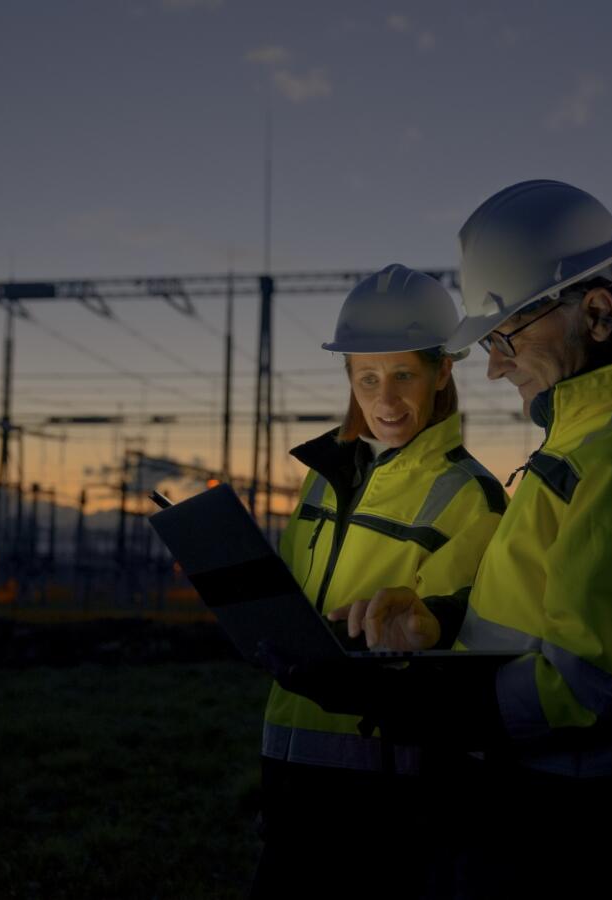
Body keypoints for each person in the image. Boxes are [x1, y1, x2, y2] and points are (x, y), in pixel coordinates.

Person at [308, 181, 612, 894]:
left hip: (580, 827)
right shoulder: (593, 439)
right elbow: (546, 610)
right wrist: (440, 624)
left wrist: (426, 705)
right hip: (547, 804)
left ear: (597, 313)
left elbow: (588, 686)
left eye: (504, 335)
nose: (495, 364)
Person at [251, 263, 506, 899]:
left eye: (402, 376)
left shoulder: (470, 497)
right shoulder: (321, 478)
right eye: (367, 378)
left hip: (388, 792)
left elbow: (461, 653)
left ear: (443, 371)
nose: (384, 401)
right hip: (287, 768)